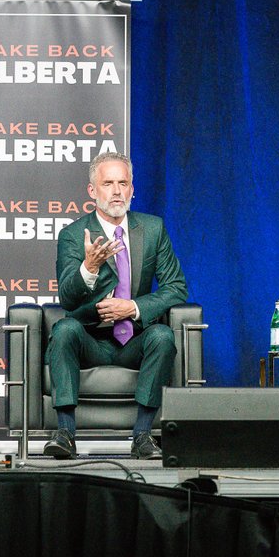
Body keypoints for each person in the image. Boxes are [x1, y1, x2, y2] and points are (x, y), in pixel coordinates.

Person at [45, 151, 189, 460]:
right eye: (108, 183)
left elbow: (177, 288)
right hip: (91, 340)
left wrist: (132, 307)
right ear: (92, 191)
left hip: (134, 339)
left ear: (133, 188)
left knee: (163, 336)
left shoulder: (152, 229)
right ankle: (66, 433)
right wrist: (90, 268)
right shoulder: (73, 235)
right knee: (65, 329)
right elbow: (68, 300)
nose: (116, 191)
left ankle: (142, 435)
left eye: (123, 183)